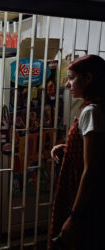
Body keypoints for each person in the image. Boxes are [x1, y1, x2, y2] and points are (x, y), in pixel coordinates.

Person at [49, 54, 105, 249]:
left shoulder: (91, 111)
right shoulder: (97, 107)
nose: (67, 84)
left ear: (88, 78)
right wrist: (68, 148)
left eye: (72, 77)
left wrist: (74, 216)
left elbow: (91, 170)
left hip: (86, 199)